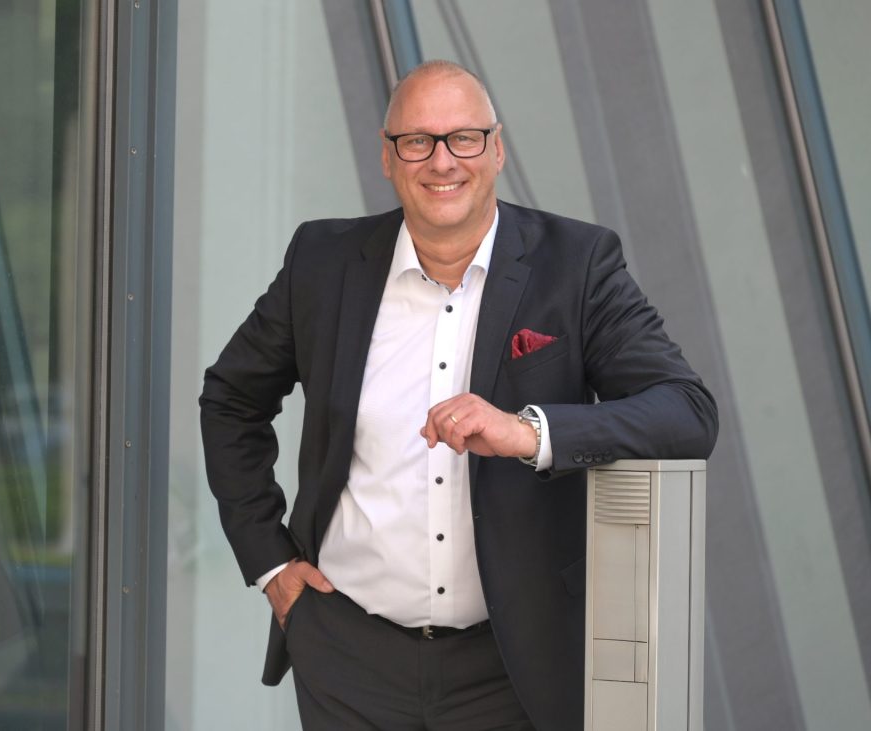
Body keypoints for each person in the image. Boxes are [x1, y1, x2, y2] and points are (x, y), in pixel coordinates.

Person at [199, 59, 717, 730]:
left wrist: (529, 433)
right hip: (347, 656)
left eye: (463, 138)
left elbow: (686, 410)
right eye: (416, 141)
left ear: (496, 149)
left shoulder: (576, 265)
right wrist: (271, 562)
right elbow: (231, 398)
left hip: (512, 666)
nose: (441, 161)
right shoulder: (322, 263)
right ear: (388, 158)